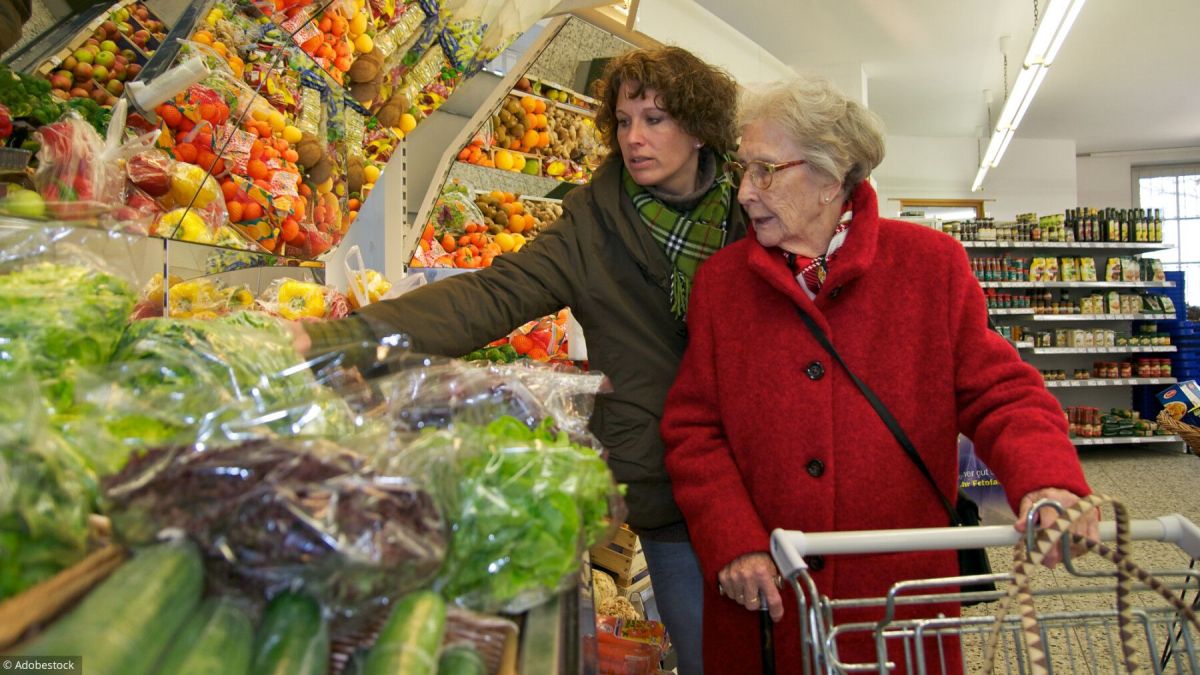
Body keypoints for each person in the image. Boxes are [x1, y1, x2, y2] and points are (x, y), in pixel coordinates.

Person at [291, 46, 744, 674]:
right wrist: (348, 338)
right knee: (709, 657)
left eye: (654, 119)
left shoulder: (756, 210)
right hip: (668, 488)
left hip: (763, 474)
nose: (634, 138)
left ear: (699, 128)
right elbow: (491, 294)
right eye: (622, 121)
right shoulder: (592, 227)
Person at [658, 76, 1097, 673]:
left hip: (897, 596)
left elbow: (1001, 394)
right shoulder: (721, 285)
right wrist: (731, 539)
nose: (745, 192)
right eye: (744, 169)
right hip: (767, 600)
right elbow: (694, 430)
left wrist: (1048, 481)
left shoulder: (930, 266)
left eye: (765, 171)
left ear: (830, 178)